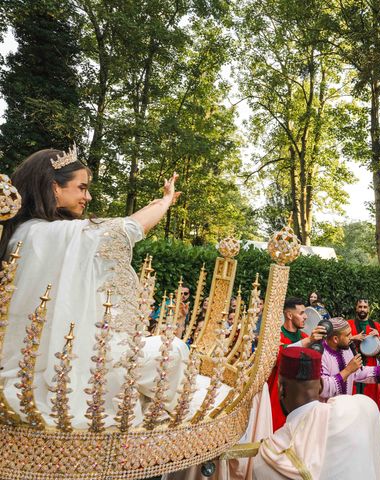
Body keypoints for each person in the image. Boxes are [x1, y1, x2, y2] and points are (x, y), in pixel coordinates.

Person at [0, 148, 222, 429]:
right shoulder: (48, 233)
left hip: (30, 363)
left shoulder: (23, 232)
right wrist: (165, 202)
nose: (87, 197)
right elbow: (125, 230)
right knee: (174, 350)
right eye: (82, 188)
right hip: (66, 366)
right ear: (54, 187)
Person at [253, 347, 380, 479]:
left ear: (280, 389)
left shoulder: (269, 455)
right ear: (320, 385)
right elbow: (368, 405)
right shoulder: (358, 409)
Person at [266, 297, 325, 431]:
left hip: (301, 397)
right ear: (289, 315)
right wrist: (309, 340)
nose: (305, 317)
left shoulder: (304, 336)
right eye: (301, 313)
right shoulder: (275, 336)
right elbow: (279, 357)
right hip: (279, 394)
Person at [320, 316, 380, 400]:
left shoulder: (346, 348)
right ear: (335, 339)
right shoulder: (320, 355)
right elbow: (323, 389)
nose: (352, 337)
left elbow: (357, 373)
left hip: (343, 407)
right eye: (348, 335)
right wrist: (348, 370)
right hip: (326, 409)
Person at [347, 299, 380, 404]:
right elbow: (339, 341)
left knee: (370, 399)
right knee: (352, 398)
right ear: (356, 308)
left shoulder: (376, 325)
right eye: (360, 306)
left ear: (369, 309)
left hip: (371, 364)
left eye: (365, 307)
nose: (362, 309)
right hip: (352, 364)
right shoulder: (348, 324)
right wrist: (354, 338)